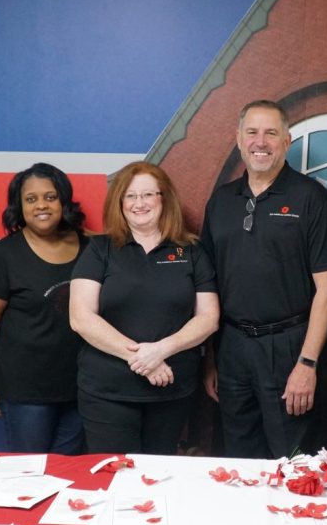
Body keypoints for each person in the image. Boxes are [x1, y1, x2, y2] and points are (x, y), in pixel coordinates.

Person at [200, 100, 327, 459]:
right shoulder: (220, 202)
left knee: (293, 460)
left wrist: (307, 363)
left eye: (270, 133)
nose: (260, 142)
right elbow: (206, 286)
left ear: (287, 141)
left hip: (288, 348)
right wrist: (210, 359)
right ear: (238, 139)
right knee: (239, 459)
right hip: (232, 348)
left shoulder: (310, 197)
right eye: (252, 132)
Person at [70, 162, 219, 455]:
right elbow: (81, 318)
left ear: (164, 199)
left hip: (171, 389)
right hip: (108, 391)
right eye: (130, 196)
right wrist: (144, 359)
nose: (139, 203)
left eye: (148, 194)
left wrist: (161, 350)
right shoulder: (100, 249)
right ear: (120, 203)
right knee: (114, 478)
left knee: (158, 478)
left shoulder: (191, 251)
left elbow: (209, 318)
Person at [0, 164, 88, 455]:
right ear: (19, 206)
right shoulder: (4, 255)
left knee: (69, 473)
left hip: (82, 388)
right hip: (26, 392)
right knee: (30, 474)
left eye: (50, 197)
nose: (41, 206)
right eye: (31, 199)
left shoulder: (90, 247)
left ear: (63, 200)